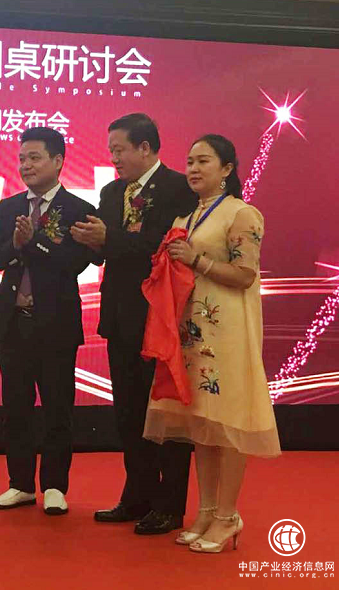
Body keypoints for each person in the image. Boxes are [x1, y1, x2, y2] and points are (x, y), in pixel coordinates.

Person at [144, 134, 280, 553]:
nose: (193, 169)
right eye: (189, 161)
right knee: (202, 425)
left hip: (228, 334)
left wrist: (196, 260)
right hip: (192, 334)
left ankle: (227, 515)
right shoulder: (186, 218)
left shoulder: (241, 214)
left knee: (229, 424)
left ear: (227, 169)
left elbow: (245, 275)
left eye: (204, 161)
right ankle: (205, 512)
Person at [70, 113, 196, 534]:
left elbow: (162, 247)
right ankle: (137, 494)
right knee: (128, 412)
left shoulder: (178, 189)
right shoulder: (112, 191)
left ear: (145, 148)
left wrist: (108, 239)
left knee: (164, 413)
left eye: (119, 149)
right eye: (111, 151)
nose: (114, 158)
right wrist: (87, 242)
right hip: (120, 316)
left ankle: (169, 505)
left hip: (161, 317)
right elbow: (104, 251)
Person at [0, 127, 100, 515]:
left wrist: (31, 242)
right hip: (14, 321)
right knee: (15, 408)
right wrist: (16, 245)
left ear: (58, 161)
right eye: (22, 159)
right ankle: (19, 484)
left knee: (57, 407)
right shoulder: (9, 207)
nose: (26, 166)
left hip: (56, 323)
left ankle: (54, 485)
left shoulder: (79, 209)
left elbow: (73, 262)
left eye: (34, 158)